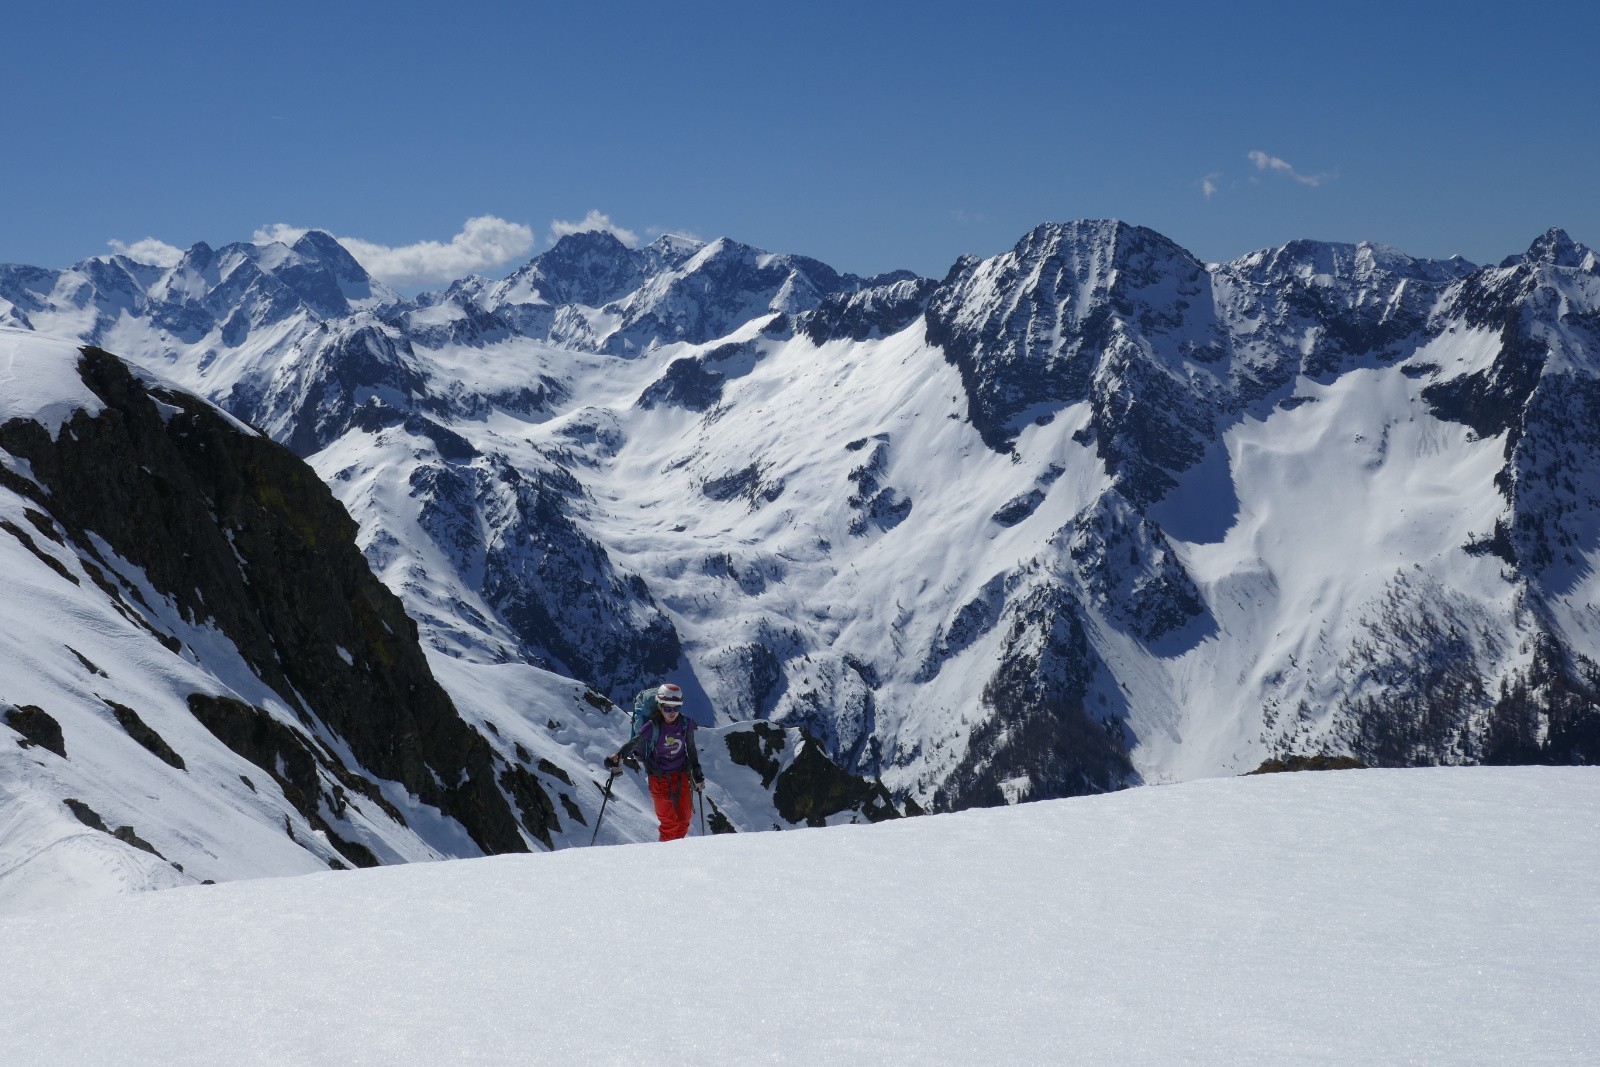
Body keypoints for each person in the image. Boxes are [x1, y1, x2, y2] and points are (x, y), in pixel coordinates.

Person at [605, 683, 705, 841]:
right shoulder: (652, 726)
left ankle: (675, 857)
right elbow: (634, 742)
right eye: (667, 708)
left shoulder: (685, 724)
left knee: (684, 822)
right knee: (670, 824)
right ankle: (663, 861)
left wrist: (697, 774)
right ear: (660, 706)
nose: (672, 713)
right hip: (659, 779)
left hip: (682, 777)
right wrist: (619, 756)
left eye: (676, 708)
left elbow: (691, 749)